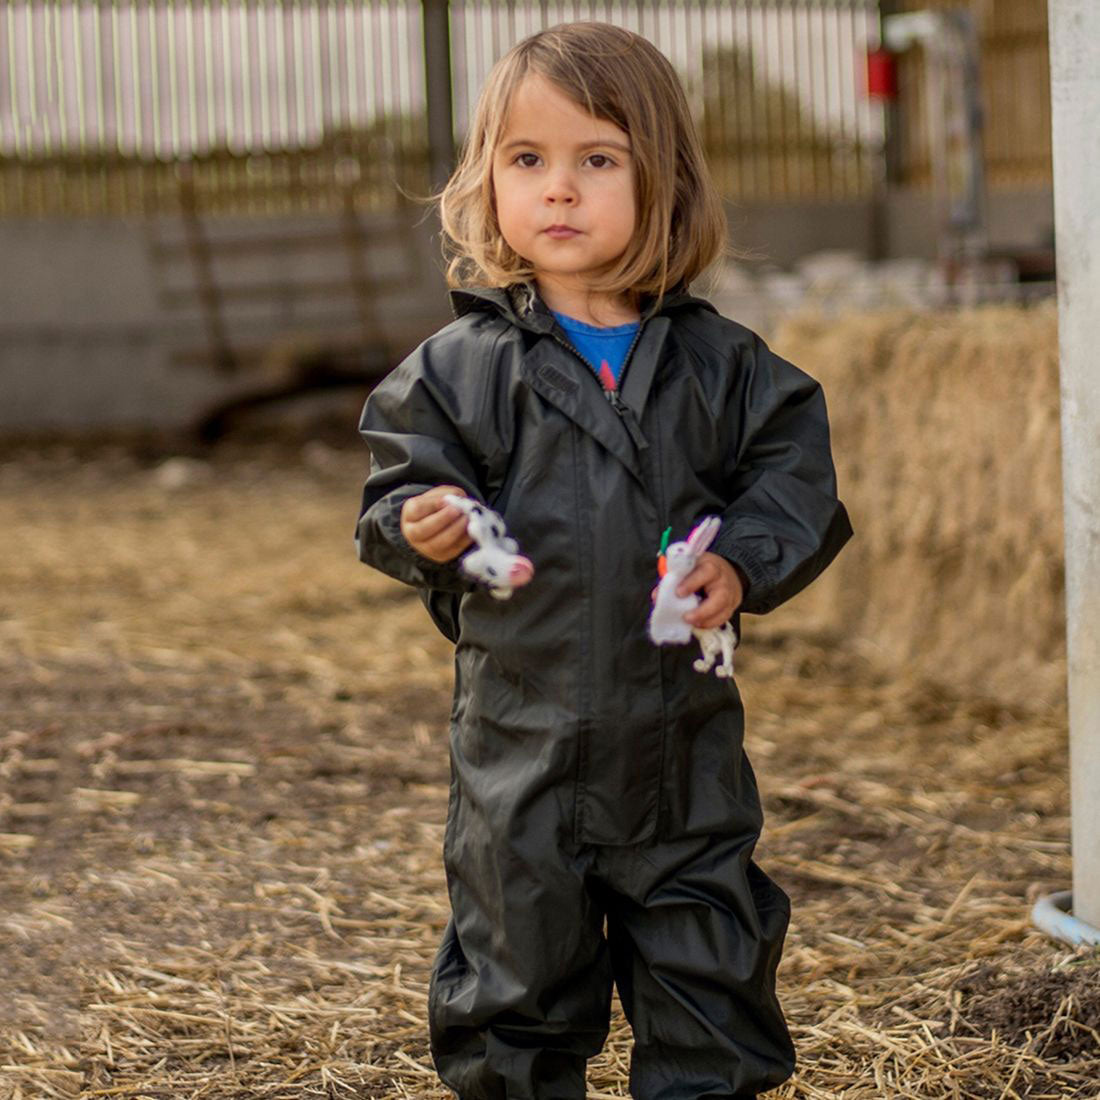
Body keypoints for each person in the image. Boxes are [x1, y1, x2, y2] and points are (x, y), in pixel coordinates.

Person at [355, 21, 852, 1100]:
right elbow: (395, 492)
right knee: (513, 987)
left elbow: (794, 482)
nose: (559, 190)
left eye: (596, 159)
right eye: (526, 161)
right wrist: (423, 523)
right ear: (485, 183)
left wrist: (746, 564)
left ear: (660, 182)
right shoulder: (459, 368)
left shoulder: (723, 367)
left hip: (681, 752)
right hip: (518, 753)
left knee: (709, 975)